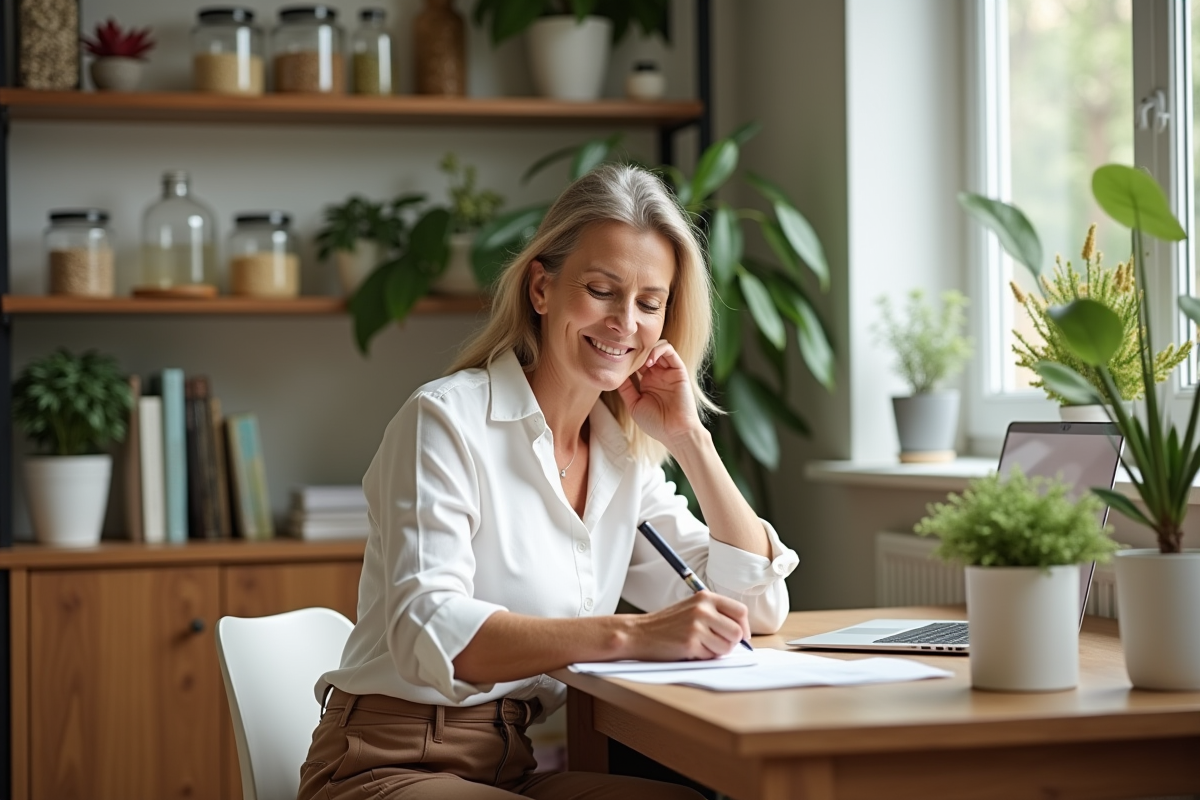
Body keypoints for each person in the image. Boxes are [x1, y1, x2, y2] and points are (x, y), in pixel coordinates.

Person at [298, 164, 799, 800]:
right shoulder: (446, 421)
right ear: (542, 288)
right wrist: (633, 634)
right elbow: (430, 628)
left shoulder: (622, 459)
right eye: (600, 290)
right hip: (384, 764)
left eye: (649, 303)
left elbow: (756, 605)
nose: (625, 322)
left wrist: (689, 439)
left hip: (512, 768)